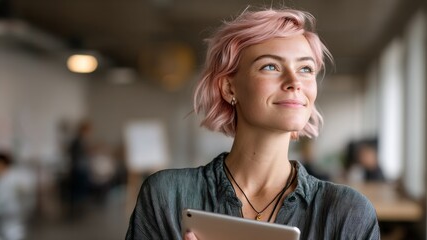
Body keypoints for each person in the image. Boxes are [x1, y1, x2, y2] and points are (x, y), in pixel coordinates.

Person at [125, 7, 380, 240]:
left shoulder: (348, 213)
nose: (295, 81)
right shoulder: (167, 197)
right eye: (270, 66)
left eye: (305, 69)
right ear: (228, 87)